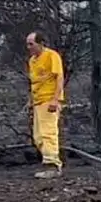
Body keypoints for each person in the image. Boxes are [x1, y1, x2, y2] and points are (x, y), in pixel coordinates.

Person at [26, 31, 65, 179]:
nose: (29, 47)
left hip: (49, 100)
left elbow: (59, 77)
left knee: (48, 133)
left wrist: (55, 100)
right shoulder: (32, 61)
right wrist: (31, 100)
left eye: (31, 44)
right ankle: (50, 162)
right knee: (38, 137)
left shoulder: (51, 56)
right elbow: (35, 82)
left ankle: (52, 166)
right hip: (38, 101)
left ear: (41, 43)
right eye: (27, 44)